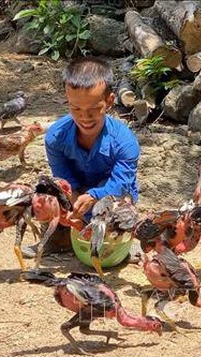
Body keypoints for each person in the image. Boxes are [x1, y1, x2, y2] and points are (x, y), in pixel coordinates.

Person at [23, 56, 140, 258]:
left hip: (111, 195)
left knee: (120, 204)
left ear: (110, 101)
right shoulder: (55, 137)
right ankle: (57, 239)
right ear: (67, 101)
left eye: (94, 109)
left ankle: (121, 242)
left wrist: (93, 197)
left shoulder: (125, 142)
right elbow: (63, 181)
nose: (84, 117)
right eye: (75, 108)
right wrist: (75, 202)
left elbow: (120, 184)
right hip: (76, 193)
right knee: (46, 192)